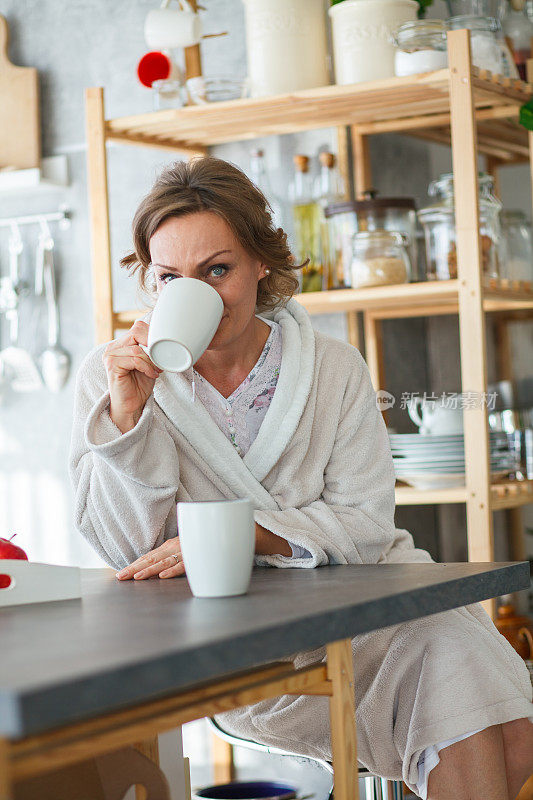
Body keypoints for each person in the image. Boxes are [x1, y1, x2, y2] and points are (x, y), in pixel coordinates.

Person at [69, 157, 533, 799]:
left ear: (263, 261)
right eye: (170, 276)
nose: (196, 292)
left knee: (499, 715)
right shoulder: (115, 376)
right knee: (483, 718)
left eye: (217, 270)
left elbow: (368, 527)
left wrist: (257, 535)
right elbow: (129, 555)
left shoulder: (334, 368)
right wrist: (128, 421)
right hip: (245, 647)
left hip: (374, 606)